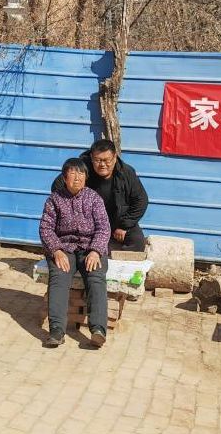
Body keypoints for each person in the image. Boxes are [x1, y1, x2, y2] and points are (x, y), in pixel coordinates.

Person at [39, 157, 111, 348]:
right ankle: (56, 330)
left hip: (90, 248)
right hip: (64, 249)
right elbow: (45, 228)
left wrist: (95, 251)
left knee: (96, 277)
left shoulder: (94, 199)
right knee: (59, 277)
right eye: (73, 173)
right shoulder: (54, 200)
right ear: (64, 177)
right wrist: (56, 250)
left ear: (86, 177)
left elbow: (104, 228)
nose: (77, 177)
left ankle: (98, 330)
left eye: (81, 173)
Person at [80, 139, 149, 252]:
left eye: (106, 160)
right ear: (91, 158)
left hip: (119, 221)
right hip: (89, 223)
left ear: (115, 157)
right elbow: (59, 185)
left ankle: (112, 254)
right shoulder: (81, 169)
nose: (102, 165)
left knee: (137, 243)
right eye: (98, 160)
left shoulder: (126, 172)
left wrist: (124, 225)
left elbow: (141, 200)